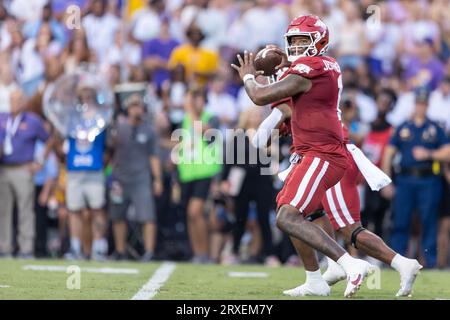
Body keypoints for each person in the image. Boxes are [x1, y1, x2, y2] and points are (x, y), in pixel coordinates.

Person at [231, 14, 374, 298]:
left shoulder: (314, 66)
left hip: (322, 153)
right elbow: (299, 100)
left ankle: (348, 263)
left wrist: (249, 76)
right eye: (292, 41)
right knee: (293, 211)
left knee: (286, 217)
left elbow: (260, 96)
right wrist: (286, 65)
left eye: (302, 40)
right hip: (311, 151)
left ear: (318, 41)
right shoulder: (321, 64)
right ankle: (315, 280)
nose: (295, 47)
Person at [254, 101, 422, 297]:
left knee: (350, 230)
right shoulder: (301, 92)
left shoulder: (298, 88)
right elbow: (264, 140)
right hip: (314, 160)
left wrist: (253, 81)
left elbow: (260, 137)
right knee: (303, 213)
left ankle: (401, 264)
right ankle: (326, 271)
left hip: (328, 158)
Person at [382, 90, 450, 268]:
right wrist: (387, 180)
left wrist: (429, 154)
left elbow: (447, 152)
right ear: (415, 104)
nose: (421, 106)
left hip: (428, 180)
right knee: (401, 221)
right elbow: (389, 152)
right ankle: (396, 261)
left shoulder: (435, 127)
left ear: (427, 105)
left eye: (423, 103)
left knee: (429, 221)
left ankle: (430, 261)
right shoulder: (404, 126)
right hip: (405, 179)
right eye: (418, 103)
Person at [109, 94, 163, 261]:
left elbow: (153, 157)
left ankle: (149, 251)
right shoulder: (118, 127)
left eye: (138, 106)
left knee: (147, 216)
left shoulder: (149, 130)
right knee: (118, 215)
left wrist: (158, 179)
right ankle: (120, 250)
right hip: (120, 178)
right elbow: (110, 148)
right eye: (132, 106)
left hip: (141, 178)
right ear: (127, 109)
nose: (136, 109)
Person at [0, 89, 50, 258]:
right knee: (3, 210)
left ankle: (26, 248)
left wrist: (40, 162)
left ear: (24, 101)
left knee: (25, 209)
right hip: (4, 168)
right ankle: (4, 247)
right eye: (12, 100)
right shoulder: (2, 118)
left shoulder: (33, 121)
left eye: (18, 100)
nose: (15, 103)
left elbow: (49, 140)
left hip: (23, 168)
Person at [63, 81, 109, 261]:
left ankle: (99, 247)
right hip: (75, 168)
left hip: (94, 168)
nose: (86, 97)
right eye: (83, 94)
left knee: (97, 208)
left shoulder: (101, 116)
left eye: (89, 94)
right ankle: (76, 247)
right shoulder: (72, 117)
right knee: (74, 210)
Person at [176, 87, 222, 264]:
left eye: (199, 98)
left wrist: (189, 109)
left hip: (205, 171)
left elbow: (204, 131)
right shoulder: (185, 120)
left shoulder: (211, 118)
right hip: (187, 172)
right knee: (190, 215)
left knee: (196, 212)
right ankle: (197, 253)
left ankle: (204, 253)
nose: (195, 102)